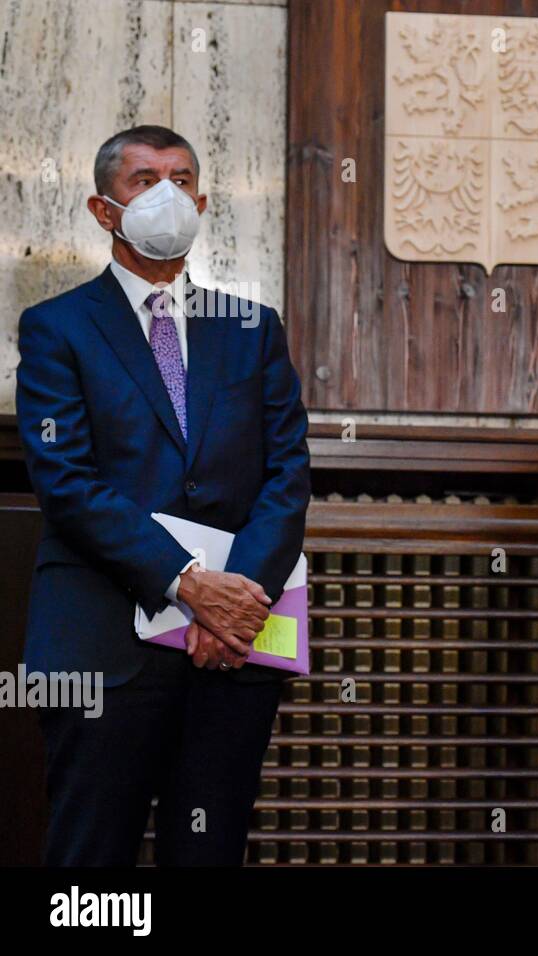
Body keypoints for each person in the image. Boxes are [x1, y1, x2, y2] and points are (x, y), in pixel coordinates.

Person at [15, 125, 311, 865]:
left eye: (181, 179)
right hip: (102, 642)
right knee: (89, 859)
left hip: (232, 651)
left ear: (204, 201)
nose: (167, 194)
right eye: (144, 180)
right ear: (103, 208)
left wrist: (234, 603)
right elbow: (68, 482)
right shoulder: (56, 328)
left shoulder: (252, 329)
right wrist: (187, 584)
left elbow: (288, 477)